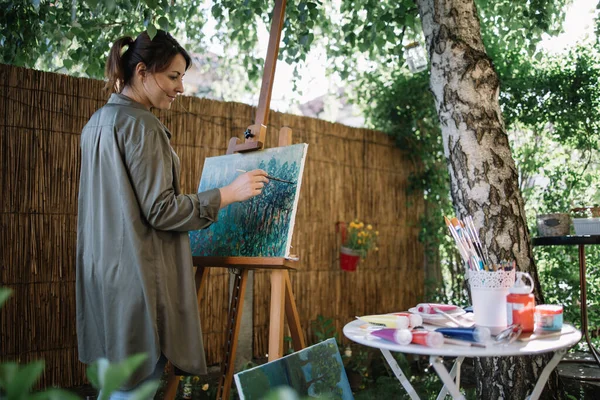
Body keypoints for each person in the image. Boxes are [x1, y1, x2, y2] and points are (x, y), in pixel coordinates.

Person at [75, 29, 269, 399]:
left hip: (102, 276)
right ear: (143, 72)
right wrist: (228, 193)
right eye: (173, 77)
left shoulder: (96, 123)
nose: (181, 88)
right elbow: (161, 210)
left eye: (182, 77)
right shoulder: (142, 126)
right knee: (133, 387)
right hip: (137, 279)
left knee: (115, 384)